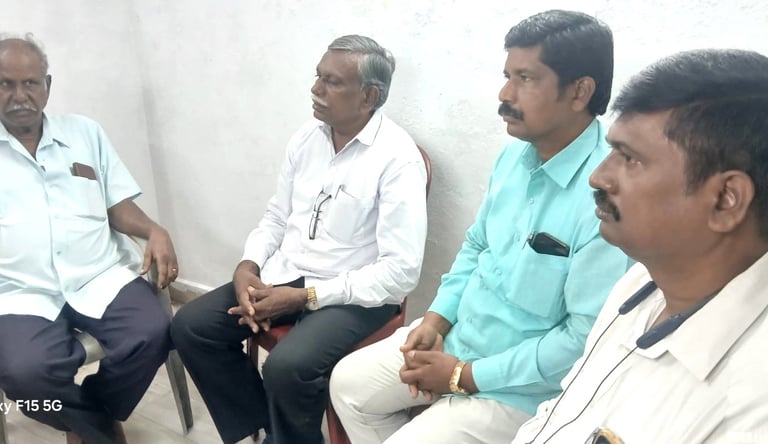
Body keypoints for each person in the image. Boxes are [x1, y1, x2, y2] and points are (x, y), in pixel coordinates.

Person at [330, 10, 631, 444]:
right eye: (507, 75)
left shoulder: (607, 194)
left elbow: (583, 340)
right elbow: (476, 246)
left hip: (525, 390)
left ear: (579, 91)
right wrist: (436, 320)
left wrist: (464, 376)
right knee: (347, 385)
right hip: (462, 339)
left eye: (526, 78)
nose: (505, 94)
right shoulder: (514, 156)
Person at [170, 34, 427, 444]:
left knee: (287, 368)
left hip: (355, 293)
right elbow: (277, 215)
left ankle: (285, 434)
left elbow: (400, 273)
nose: (316, 89)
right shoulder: (307, 138)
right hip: (288, 273)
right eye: (317, 76)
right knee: (192, 326)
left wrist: (305, 297)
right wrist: (248, 266)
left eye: (332, 81)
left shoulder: (398, 159)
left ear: (369, 96)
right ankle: (276, 431)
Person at [511, 48, 768, 443]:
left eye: (629, 159)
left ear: (724, 199)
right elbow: (561, 416)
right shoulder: (640, 285)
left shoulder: (751, 402)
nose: (599, 177)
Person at [0, 36, 177, 443]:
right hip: (19, 291)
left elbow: (117, 204)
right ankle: (96, 426)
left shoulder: (84, 132)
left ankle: (87, 418)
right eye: (6, 84)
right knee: (24, 373)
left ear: (47, 85)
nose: (20, 96)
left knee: (152, 332)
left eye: (30, 83)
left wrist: (154, 229)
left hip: (98, 274)